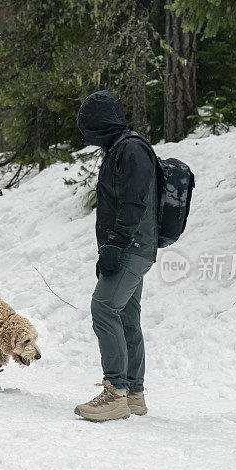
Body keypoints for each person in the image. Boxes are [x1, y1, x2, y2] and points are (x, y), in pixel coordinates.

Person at [74, 90, 158, 422]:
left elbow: (134, 201)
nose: (87, 136)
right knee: (125, 317)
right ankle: (134, 395)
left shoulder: (132, 149)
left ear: (100, 124)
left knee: (104, 307)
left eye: (88, 127)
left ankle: (116, 393)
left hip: (131, 247)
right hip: (132, 246)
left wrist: (115, 244)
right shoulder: (121, 148)